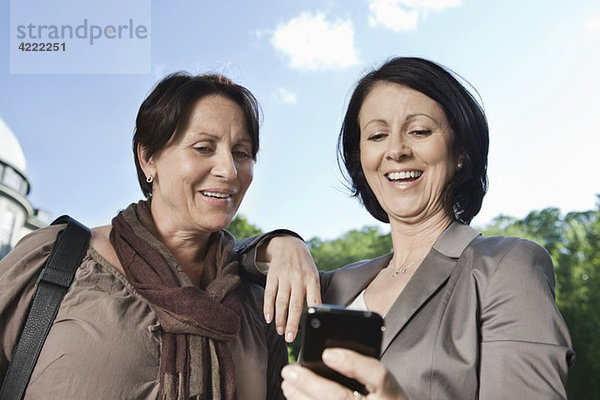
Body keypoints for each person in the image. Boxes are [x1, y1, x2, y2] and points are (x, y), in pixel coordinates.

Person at [237, 57, 575, 399]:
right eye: (378, 135)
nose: (396, 150)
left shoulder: (508, 267)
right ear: (361, 159)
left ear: (460, 151)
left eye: (419, 131)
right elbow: (224, 260)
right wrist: (282, 243)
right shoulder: (334, 287)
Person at [0, 73, 288, 399]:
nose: (228, 171)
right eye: (204, 148)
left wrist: (286, 243)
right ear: (148, 158)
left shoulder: (260, 302)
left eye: (241, 153)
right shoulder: (54, 259)